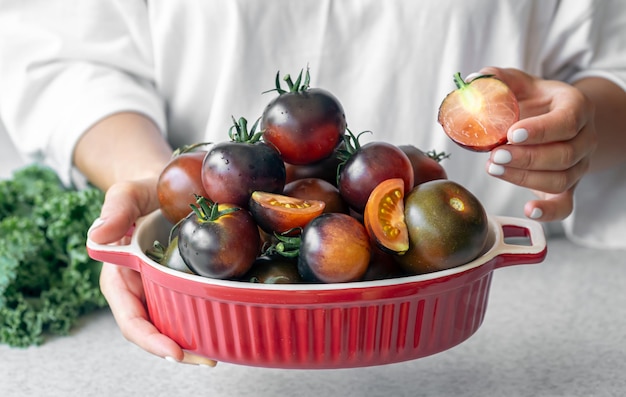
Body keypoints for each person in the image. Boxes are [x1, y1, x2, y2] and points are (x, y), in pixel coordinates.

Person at [1, 0, 625, 366]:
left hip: (492, 310)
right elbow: (66, 57)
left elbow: (612, 60)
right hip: (222, 288)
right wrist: (150, 179)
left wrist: (582, 128)